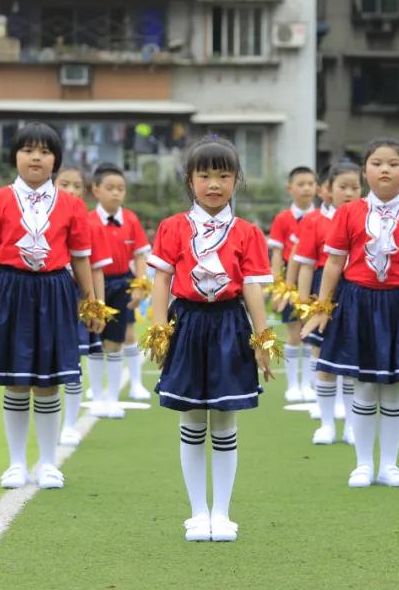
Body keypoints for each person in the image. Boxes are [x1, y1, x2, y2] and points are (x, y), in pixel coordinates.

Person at [303, 138, 399, 490]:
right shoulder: (348, 213)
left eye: (392, 163)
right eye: (376, 163)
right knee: (363, 387)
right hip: (356, 304)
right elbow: (333, 265)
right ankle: (362, 464)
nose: (384, 169)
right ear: (365, 171)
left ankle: (389, 464)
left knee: (393, 389)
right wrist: (323, 308)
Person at [144, 135, 276, 542]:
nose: (214, 184)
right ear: (190, 180)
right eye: (205, 175)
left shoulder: (249, 233)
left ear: (237, 180)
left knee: (224, 419)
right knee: (191, 419)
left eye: (224, 175)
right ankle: (197, 513)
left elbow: (253, 288)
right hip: (186, 325)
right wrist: (160, 331)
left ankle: (222, 513)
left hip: (229, 327)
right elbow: (161, 281)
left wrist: (263, 340)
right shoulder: (172, 227)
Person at [0, 123, 105, 491]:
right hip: (10, 291)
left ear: (56, 160)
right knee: (15, 382)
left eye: (44, 151)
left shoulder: (72, 205)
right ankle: (14, 463)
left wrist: (91, 303)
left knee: (48, 384)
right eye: (27, 150)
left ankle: (46, 462)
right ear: (15, 156)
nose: (35, 157)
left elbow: (80, 259)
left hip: (55, 293)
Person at [293, 161, 362, 445]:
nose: (348, 193)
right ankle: (326, 424)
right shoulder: (313, 221)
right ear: (327, 191)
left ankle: (351, 425)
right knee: (322, 356)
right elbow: (306, 265)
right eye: (342, 187)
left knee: (351, 361)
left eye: (355, 187)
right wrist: (304, 301)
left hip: (356, 290)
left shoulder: (365, 216)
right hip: (324, 290)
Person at [87, 163, 152, 417]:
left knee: (122, 336)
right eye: (110, 188)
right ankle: (96, 393)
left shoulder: (131, 220)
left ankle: (122, 390)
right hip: (93, 284)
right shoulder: (88, 220)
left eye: (121, 189)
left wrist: (139, 285)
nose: (116, 193)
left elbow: (140, 256)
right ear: (96, 191)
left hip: (122, 283)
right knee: (94, 339)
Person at [54, 165, 110, 445]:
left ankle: (69, 424)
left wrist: (95, 306)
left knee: (73, 361)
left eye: (77, 186)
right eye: (65, 184)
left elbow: (96, 269)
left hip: (76, 300)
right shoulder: (42, 217)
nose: (71, 191)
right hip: (47, 298)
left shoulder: (92, 225)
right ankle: (47, 423)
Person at [267, 166, 318, 402]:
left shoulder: (321, 218)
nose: (307, 188)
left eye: (311, 183)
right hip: (290, 278)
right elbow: (277, 254)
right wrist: (278, 289)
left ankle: (309, 384)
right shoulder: (282, 218)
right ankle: (293, 385)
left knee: (312, 332)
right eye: (301, 184)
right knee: (294, 332)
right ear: (291, 188)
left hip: (316, 277)